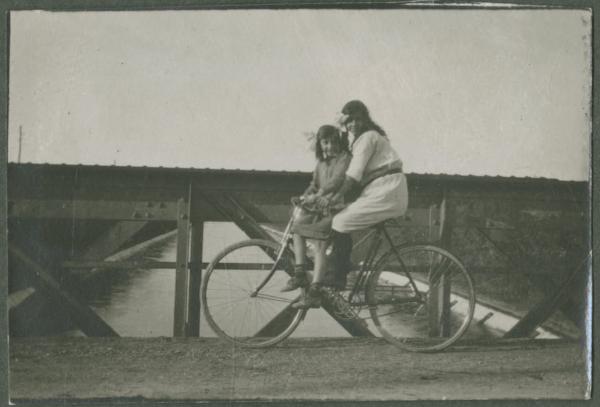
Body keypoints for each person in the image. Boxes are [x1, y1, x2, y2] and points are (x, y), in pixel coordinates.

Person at [292, 100, 409, 309]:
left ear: (365, 119)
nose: (353, 124)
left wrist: (330, 198)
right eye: (349, 120)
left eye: (357, 119)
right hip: (380, 190)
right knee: (340, 220)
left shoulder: (368, 138)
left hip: (386, 191)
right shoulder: (361, 140)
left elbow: (352, 177)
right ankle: (335, 275)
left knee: (340, 221)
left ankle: (337, 277)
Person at [280, 125, 351, 309]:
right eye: (326, 142)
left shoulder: (344, 159)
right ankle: (300, 272)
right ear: (320, 144)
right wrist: (304, 195)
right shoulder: (321, 163)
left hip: (334, 207)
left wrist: (318, 194)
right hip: (318, 207)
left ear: (340, 142)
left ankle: (315, 292)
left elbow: (336, 181)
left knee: (320, 244)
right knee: (296, 228)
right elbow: (314, 184)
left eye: (334, 142)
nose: (330, 146)